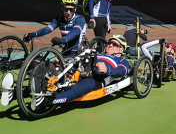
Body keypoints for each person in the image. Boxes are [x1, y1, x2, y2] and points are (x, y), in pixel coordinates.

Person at [1, 34, 130, 108]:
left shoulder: (122, 61)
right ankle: (15, 93)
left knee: (87, 84)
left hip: (95, 79)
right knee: (49, 74)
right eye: (109, 43)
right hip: (77, 71)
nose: (109, 45)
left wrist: (108, 69)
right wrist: (63, 64)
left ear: (121, 49)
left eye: (114, 44)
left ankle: (46, 101)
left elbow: (122, 72)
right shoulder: (98, 54)